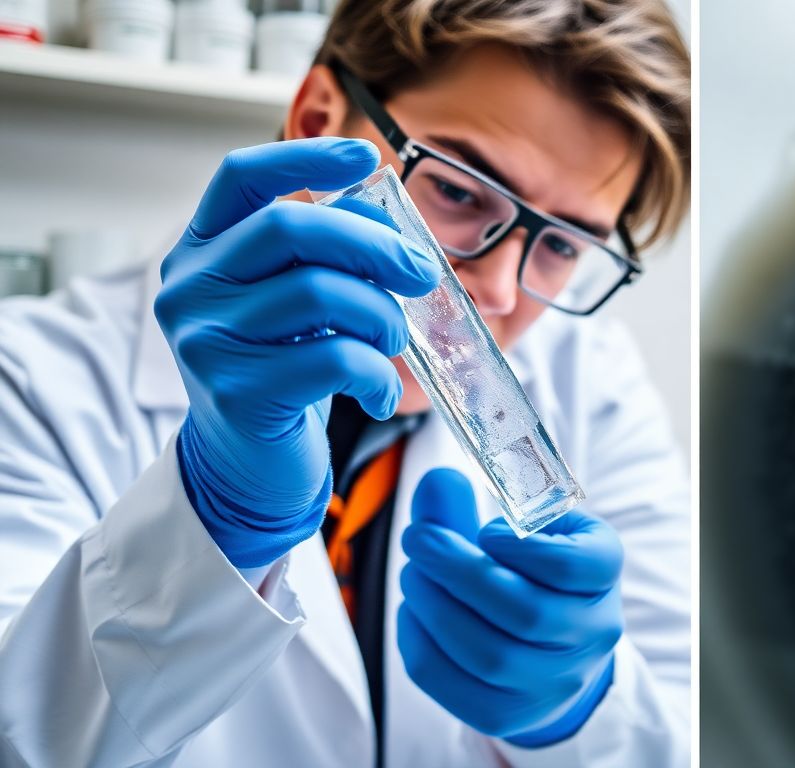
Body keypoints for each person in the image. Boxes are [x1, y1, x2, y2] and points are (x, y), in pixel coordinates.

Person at [0, 1, 690, 766]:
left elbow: (700, 731)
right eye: (460, 192)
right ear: (319, 116)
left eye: (561, 245)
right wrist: (210, 519)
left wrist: (578, 715)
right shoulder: (28, 378)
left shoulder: (591, 380)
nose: (496, 293)